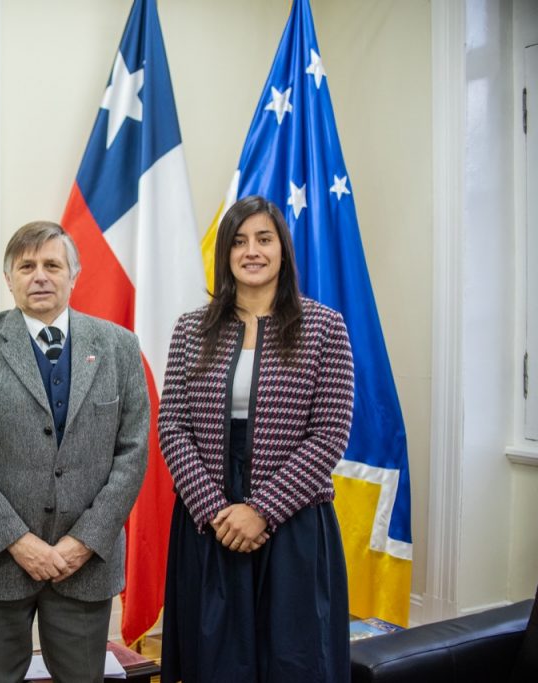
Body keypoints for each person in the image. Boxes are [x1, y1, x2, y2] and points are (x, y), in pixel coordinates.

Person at [0, 221, 150, 683]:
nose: (40, 276)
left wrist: (83, 542)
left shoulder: (119, 346)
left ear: (74, 275)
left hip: (85, 566)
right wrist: (20, 543)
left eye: (52, 265)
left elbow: (133, 453)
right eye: (26, 266)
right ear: (8, 278)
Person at [158, 195, 354, 682]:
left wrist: (262, 510)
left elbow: (330, 433)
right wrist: (215, 510)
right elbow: (172, 426)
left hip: (293, 521)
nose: (252, 251)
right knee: (214, 661)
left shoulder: (325, 327)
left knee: (294, 659)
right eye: (239, 241)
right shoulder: (191, 329)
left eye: (264, 239)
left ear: (282, 249)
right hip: (210, 521)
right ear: (225, 253)